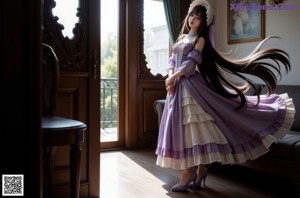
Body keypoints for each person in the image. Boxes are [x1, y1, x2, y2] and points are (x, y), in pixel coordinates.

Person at [155, 0, 295, 192]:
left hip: (191, 86)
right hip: (177, 87)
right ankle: (200, 171)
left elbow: (189, 66)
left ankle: (189, 174)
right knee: (188, 130)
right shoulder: (181, 39)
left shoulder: (200, 40)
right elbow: (172, 60)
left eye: (197, 18)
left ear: (203, 23)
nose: (193, 19)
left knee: (194, 131)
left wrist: (173, 78)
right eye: (192, 16)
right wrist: (170, 78)